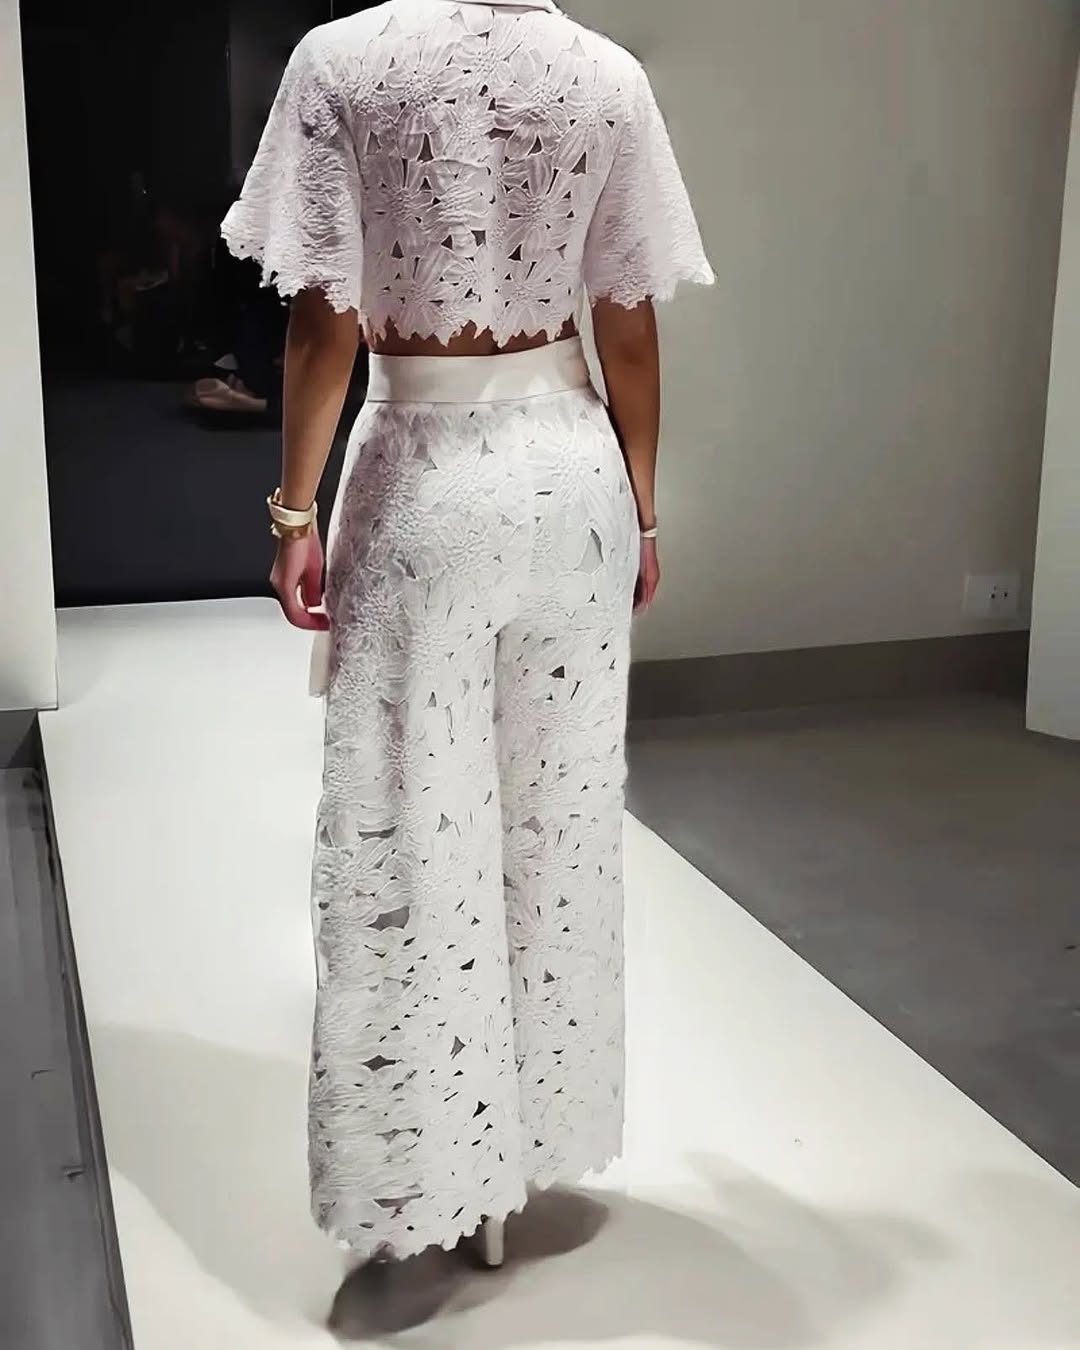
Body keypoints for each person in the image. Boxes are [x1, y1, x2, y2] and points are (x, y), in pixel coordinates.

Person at [221, 0, 712, 1272]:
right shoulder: (606, 75)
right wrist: (644, 512)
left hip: (425, 480)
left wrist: (293, 514)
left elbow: (324, 320)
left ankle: (424, 1172)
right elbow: (629, 324)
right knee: (555, 825)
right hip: (571, 476)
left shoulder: (340, 60)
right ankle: (525, 1146)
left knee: (410, 824)